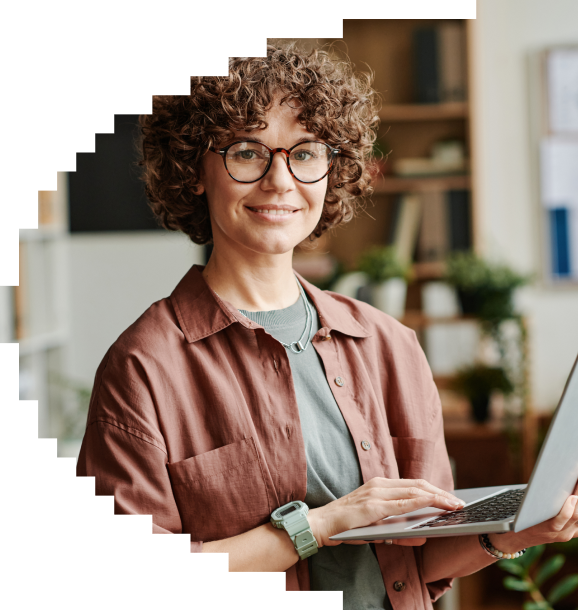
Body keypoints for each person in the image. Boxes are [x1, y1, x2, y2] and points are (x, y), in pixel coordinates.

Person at [76, 42, 577, 607]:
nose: (279, 181)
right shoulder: (144, 367)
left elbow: (418, 556)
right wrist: (320, 525)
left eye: (306, 152)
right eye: (247, 152)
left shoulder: (389, 344)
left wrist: (508, 533)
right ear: (195, 169)